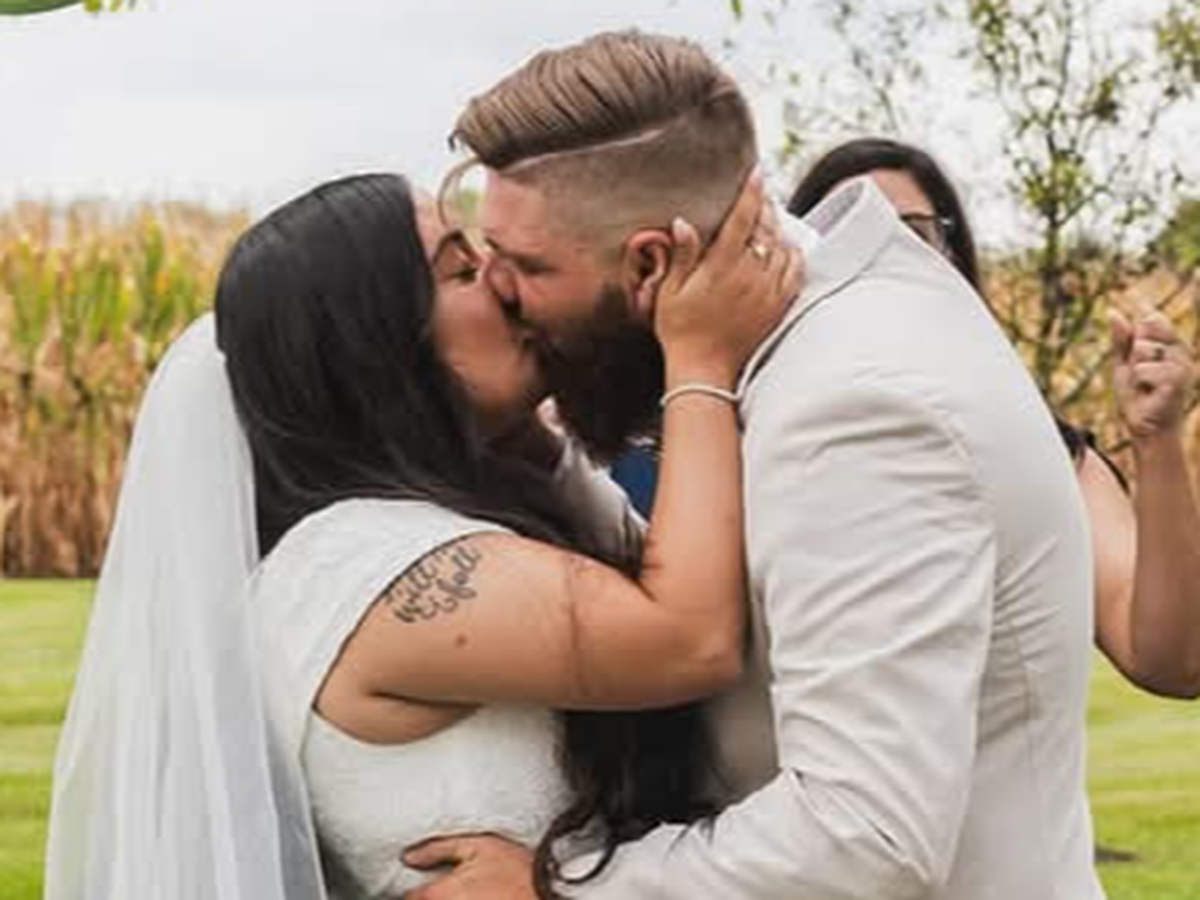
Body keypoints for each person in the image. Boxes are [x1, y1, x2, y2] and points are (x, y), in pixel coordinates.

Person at [407, 29, 1104, 900]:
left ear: (652, 262)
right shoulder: (816, 337)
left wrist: (559, 888)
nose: (502, 291)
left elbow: (866, 834)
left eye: (527, 266)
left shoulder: (855, 407)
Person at [43, 172, 800, 900]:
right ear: (379, 347)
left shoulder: (456, 515)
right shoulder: (354, 566)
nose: (504, 282)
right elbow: (691, 639)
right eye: (461, 270)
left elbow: (693, 578)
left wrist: (533, 432)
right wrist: (700, 357)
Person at [788, 137, 1200, 701]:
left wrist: (1158, 440)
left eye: (911, 234)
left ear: (954, 260)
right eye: (843, 234)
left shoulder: (1053, 461)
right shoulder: (747, 448)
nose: (880, 257)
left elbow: (1174, 661)